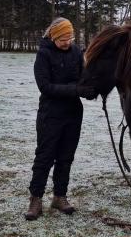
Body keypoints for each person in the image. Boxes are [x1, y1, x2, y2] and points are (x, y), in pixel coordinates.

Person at [25, 17, 95, 220]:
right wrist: (76, 89)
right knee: (44, 157)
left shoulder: (76, 52)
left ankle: (59, 196)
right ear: (54, 36)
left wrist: (90, 90)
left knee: (66, 158)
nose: (67, 42)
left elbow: (83, 78)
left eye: (70, 38)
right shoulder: (44, 54)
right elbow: (45, 87)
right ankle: (36, 199)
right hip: (50, 114)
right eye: (63, 38)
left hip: (73, 114)